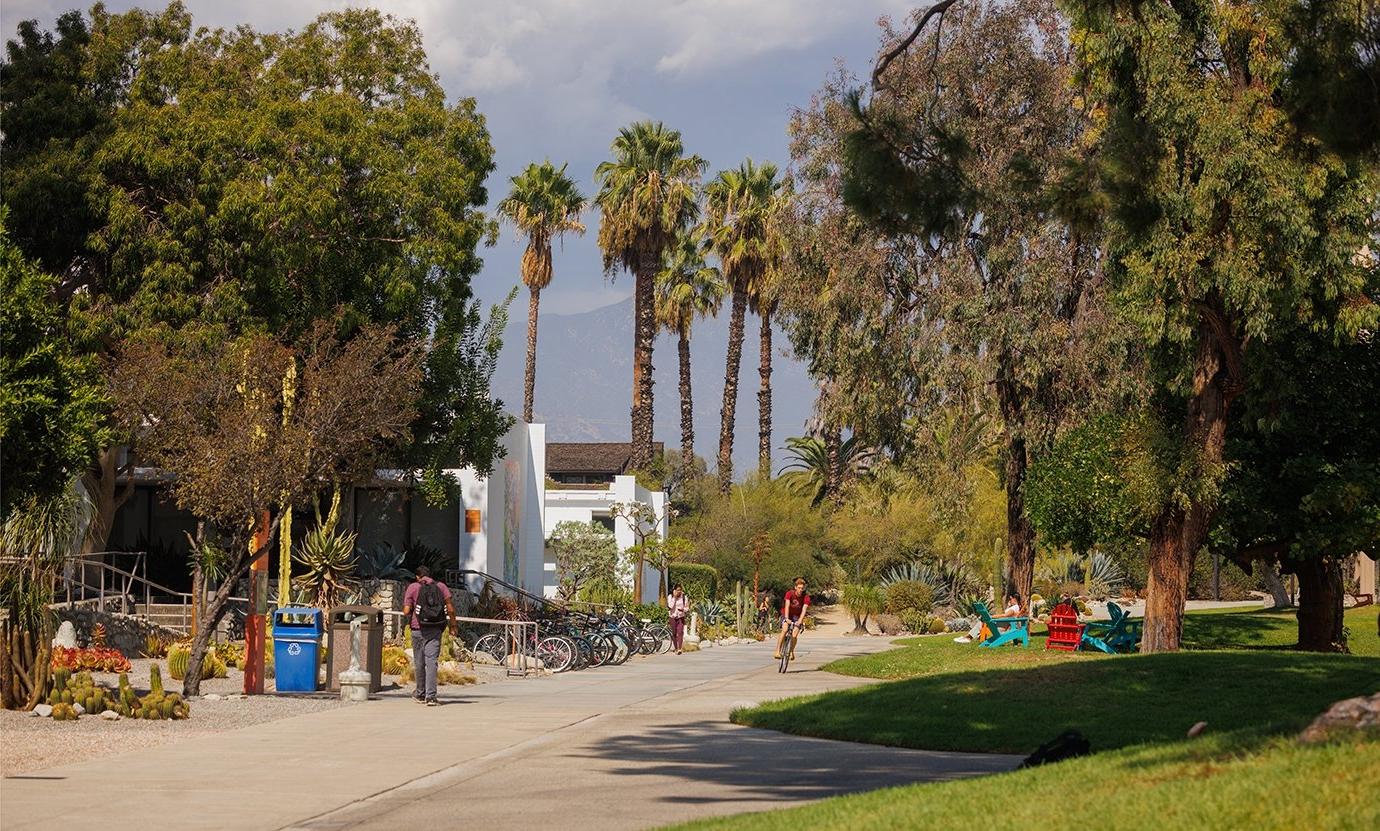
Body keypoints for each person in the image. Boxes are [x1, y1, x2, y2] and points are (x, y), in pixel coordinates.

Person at [400, 565, 458, 705]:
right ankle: (431, 696)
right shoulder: (441, 587)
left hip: (417, 629)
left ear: (417, 576)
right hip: (435, 629)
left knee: (419, 662)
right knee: (431, 662)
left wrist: (412, 607)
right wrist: (453, 626)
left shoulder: (413, 587)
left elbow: (406, 611)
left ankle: (420, 694)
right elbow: (450, 608)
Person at [954, 594, 1022, 644]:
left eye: (1010, 599)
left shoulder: (1014, 608)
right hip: (1002, 625)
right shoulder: (1016, 607)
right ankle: (968, 637)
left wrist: (992, 617)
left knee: (981, 622)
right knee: (982, 622)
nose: (1009, 601)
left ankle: (968, 637)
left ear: (1014, 599)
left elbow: (1005, 615)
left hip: (1001, 628)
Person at [775, 577, 810, 660]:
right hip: (787, 614)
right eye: (799, 588)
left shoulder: (806, 597)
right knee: (785, 629)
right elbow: (787, 605)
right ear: (795, 587)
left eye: (802, 588)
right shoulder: (789, 594)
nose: (800, 590)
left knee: (794, 634)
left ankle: (791, 651)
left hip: (797, 616)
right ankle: (777, 651)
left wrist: (800, 621)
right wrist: (786, 618)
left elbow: (804, 610)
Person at [667, 584, 690, 654]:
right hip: (672, 617)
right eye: (677, 590)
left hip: (680, 617)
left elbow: (687, 607)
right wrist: (674, 597)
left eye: (680, 590)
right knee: (674, 633)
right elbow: (670, 606)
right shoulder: (670, 597)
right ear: (674, 590)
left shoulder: (684, 597)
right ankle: (676, 648)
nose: (679, 591)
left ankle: (679, 648)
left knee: (680, 632)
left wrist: (683, 609)